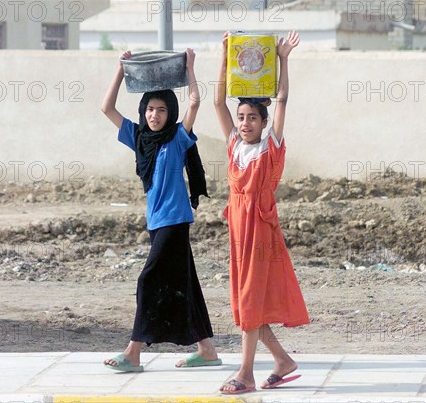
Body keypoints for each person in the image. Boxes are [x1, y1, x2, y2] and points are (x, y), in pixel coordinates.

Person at [100, 48, 221, 372]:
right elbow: (106, 107)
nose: (155, 115)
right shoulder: (138, 138)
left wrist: (190, 68)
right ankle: (207, 349)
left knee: (148, 280)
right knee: (187, 284)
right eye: (151, 109)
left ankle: (133, 351)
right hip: (156, 222)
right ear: (144, 111)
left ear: (170, 114)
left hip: (176, 220)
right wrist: (120, 70)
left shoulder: (178, 139)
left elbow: (195, 101)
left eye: (162, 110)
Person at [214, 31, 310, 394]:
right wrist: (225, 56)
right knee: (246, 302)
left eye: (252, 117)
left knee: (251, 302)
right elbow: (217, 103)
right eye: (241, 117)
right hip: (239, 232)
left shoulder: (271, 148)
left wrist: (285, 59)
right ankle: (283, 361)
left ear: (262, 121)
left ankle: (245, 373)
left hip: (260, 232)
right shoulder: (235, 146)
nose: (244, 122)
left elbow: (282, 98)